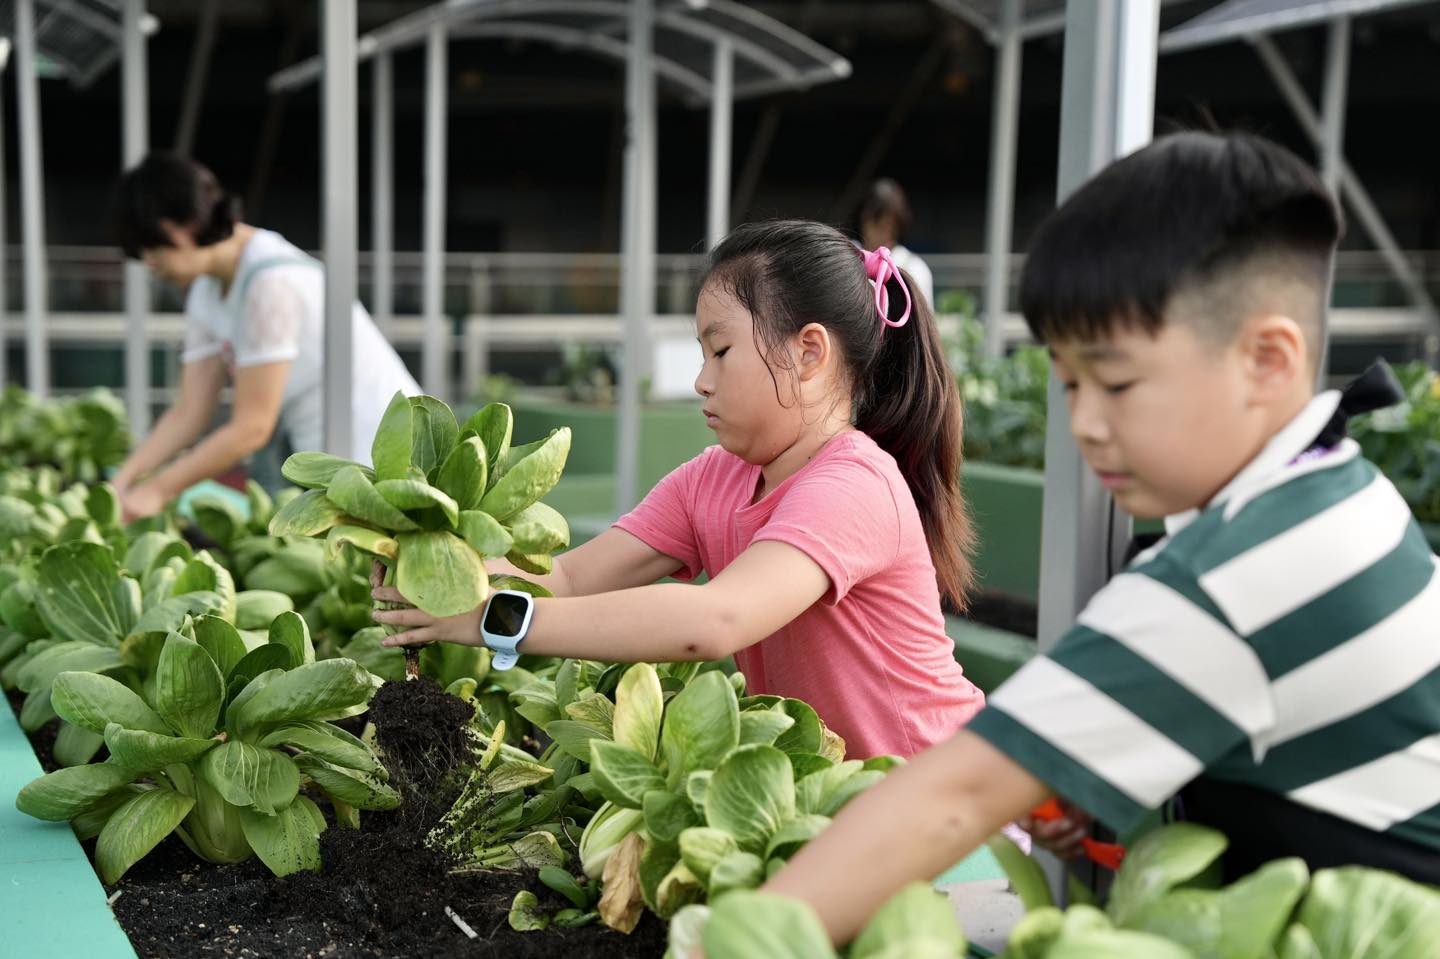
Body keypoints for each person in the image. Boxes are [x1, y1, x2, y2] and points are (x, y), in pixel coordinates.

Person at [754, 130, 1440, 945]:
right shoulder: (1336, 489)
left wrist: (730, 937)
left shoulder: (1236, 574)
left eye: (1115, 382)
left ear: (1267, 359)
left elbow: (954, 797)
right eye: (1070, 383)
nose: (1084, 424)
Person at [372, 219, 986, 759]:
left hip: (947, 813)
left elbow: (714, 620)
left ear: (808, 353)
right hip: (851, 814)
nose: (700, 380)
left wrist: (494, 619)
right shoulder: (712, 478)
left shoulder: (853, 485)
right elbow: (571, 579)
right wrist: (448, 576)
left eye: (720, 350)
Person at [109, 153, 420, 517]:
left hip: (384, 457)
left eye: (151, 247)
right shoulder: (207, 291)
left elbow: (252, 427)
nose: (150, 264)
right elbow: (189, 411)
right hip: (334, 466)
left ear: (183, 225)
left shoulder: (271, 284)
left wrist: (157, 491)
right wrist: (123, 481)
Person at [860, 178, 935, 309]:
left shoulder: (914, 268)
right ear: (864, 220)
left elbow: (925, 324)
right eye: (877, 224)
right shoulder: (851, 257)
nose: (884, 234)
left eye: (890, 227)